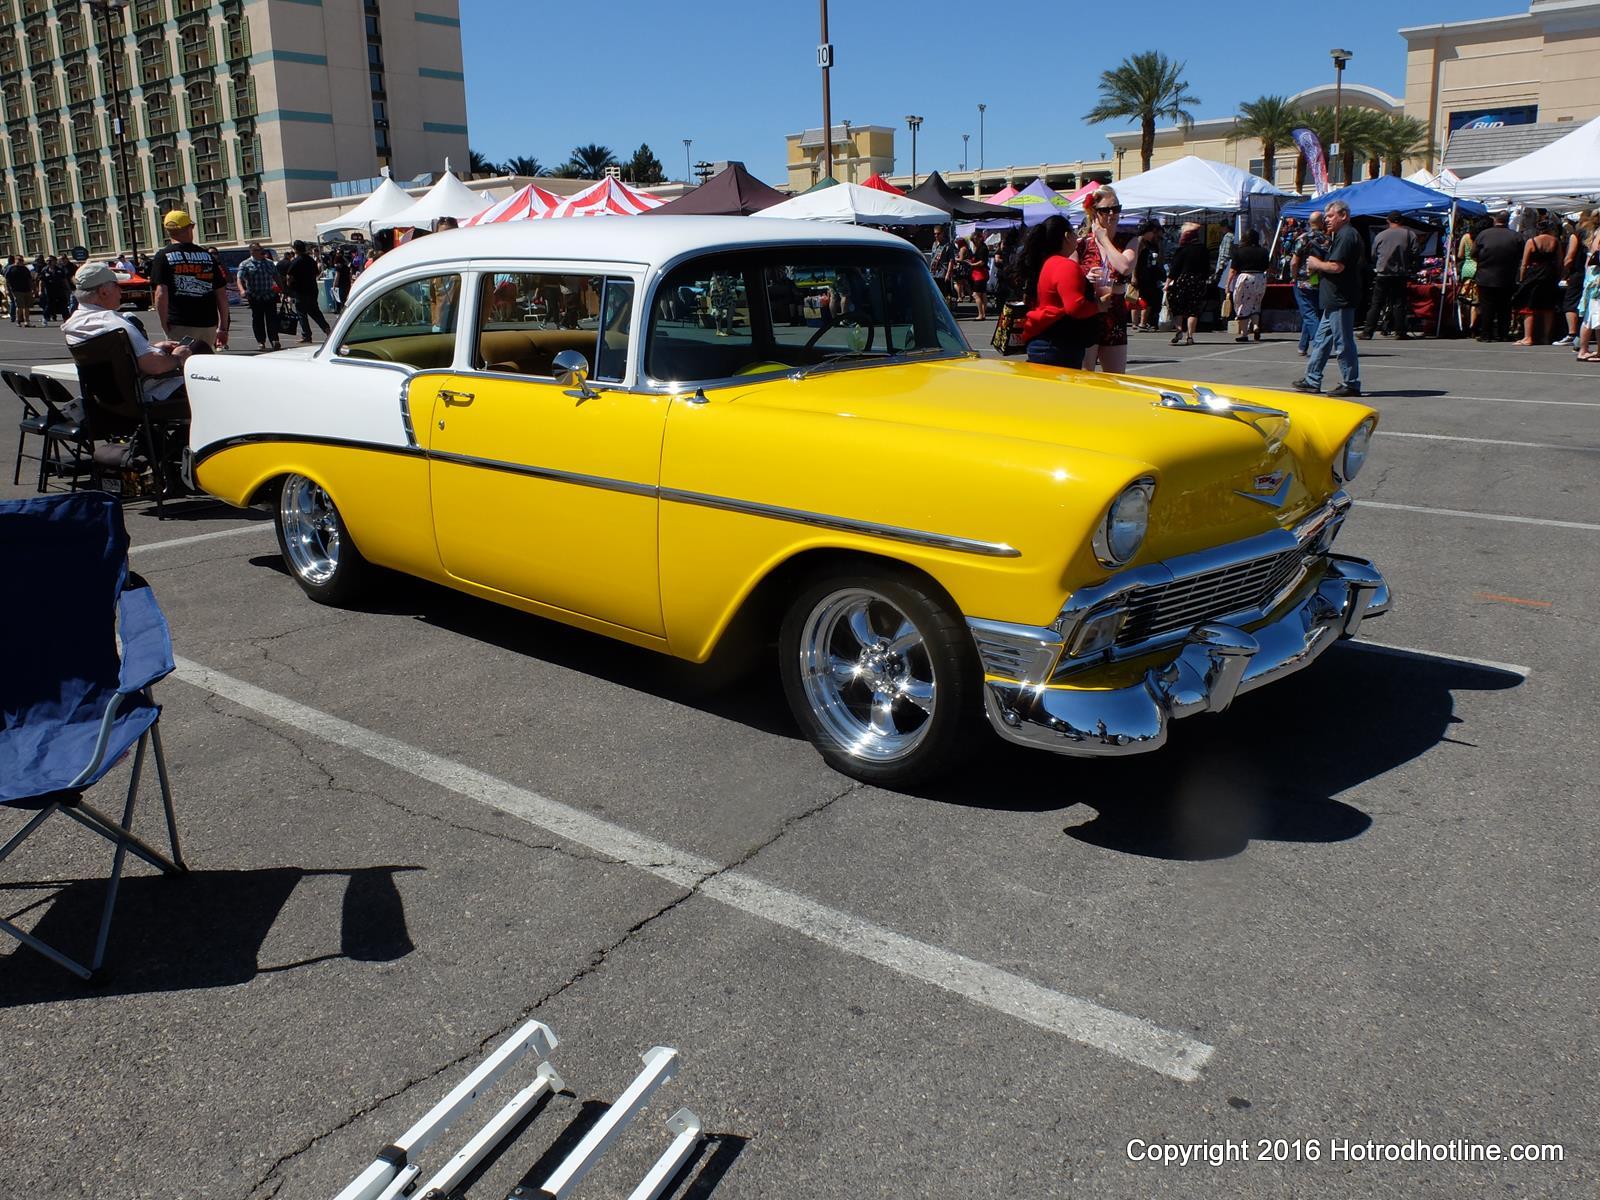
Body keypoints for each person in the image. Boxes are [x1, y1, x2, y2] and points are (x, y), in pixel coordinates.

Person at [61, 261, 196, 408]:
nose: (121, 291)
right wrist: (178, 358)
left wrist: (154, 347)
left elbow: (118, 357)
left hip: (107, 400)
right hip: (144, 396)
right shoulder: (115, 324)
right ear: (103, 292)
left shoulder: (72, 325)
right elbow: (154, 366)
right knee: (198, 352)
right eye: (116, 286)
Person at [1292, 198, 1365, 397]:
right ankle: (1312, 379)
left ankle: (1351, 382)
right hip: (1333, 298)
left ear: (1344, 215)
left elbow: (1336, 266)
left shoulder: (1346, 235)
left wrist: (1316, 264)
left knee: (1343, 342)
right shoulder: (1340, 235)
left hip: (1340, 298)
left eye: (1331, 216)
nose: (1327, 220)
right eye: (1326, 217)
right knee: (1322, 341)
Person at [1015, 214, 1106, 369]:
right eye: (1074, 232)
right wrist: (1099, 305)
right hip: (1059, 344)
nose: (1077, 237)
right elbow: (1075, 307)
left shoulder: (1048, 263)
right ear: (1066, 236)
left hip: (1046, 340)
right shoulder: (1066, 265)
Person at [149, 209, 229, 348]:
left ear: (168, 231)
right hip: (208, 323)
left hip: (179, 323)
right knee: (204, 363)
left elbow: (161, 293)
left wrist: (164, 323)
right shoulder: (207, 256)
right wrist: (223, 327)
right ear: (189, 228)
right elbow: (221, 295)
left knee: (182, 363)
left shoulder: (163, 256)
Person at [1078, 186, 1134, 372]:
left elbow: (1124, 267)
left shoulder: (1130, 241)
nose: (1112, 214)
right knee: (1086, 379)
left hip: (1114, 315)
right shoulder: (1081, 244)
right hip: (1089, 313)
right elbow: (1069, 276)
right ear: (1094, 213)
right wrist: (1085, 277)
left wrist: (1104, 239)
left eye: (1116, 208)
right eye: (1105, 210)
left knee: (1116, 378)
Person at [1362, 211, 1416, 340]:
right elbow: (1415, 252)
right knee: (1399, 303)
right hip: (1400, 273)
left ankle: (1368, 332)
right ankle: (1400, 332)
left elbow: (1374, 255)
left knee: (1376, 303)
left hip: (1383, 273)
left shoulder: (1380, 235)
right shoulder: (1409, 234)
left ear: (1388, 221)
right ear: (1401, 221)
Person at [1473, 211, 1522, 343]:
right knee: (1505, 307)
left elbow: (1474, 253)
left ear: (1495, 220)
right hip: (1507, 276)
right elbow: (1520, 255)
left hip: (1486, 275)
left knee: (1487, 306)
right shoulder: (1516, 236)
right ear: (1507, 221)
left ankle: (1486, 334)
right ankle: (1503, 333)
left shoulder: (1483, 235)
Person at [1513, 218, 1562, 347]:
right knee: (1548, 307)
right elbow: (1559, 262)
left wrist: (1522, 278)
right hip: (1549, 274)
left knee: (1529, 306)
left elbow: (1524, 263)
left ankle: (1528, 337)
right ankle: (1546, 337)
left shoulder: (1531, 241)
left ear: (1538, 229)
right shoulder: (1555, 242)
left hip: (1534, 273)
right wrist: (1559, 276)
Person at [1289, 211, 1329, 355]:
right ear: (1322, 222)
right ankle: (1303, 346)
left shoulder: (1303, 238)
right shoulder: (1327, 239)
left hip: (1303, 280)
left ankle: (1321, 344)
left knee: (1309, 313)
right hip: (1320, 279)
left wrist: (1293, 276)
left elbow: (1294, 261)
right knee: (1313, 311)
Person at [1166, 223, 1211, 345]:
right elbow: (1207, 268)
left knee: (1177, 307)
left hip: (1182, 280)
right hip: (1198, 281)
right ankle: (1190, 336)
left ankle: (1179, 330)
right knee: (1193, 309)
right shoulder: (1203, 249)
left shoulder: (1182, 250)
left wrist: (1167, 283)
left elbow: (1174, 269)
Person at [236, 242, 282, 351]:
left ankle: (274, 340)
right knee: (258, 320)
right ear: (252, 251)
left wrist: (282, 288)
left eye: (262, 249)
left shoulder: (269, 263)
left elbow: (276, 276)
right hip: (255, 296)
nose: (261, 251)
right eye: (258, 250)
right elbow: (239, 279)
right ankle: (261, 341)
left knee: (272, 319)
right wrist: (242, 290)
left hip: (269, 295)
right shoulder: (245, 264)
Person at [1228, 229, 1270, 342]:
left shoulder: (1239, 251)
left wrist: (1228, 285)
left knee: (1241, 304)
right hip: (1260, 278)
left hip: (1245, 277)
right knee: (1256, 303)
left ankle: (1244, 333)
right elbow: (1267, 267)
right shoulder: (1264, 251)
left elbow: (1232, 271)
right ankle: (1256, 326)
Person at [286, 240, 332, 343]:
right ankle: (327, 329)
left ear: (295, 249)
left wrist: (288, 288)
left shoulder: (296, 261)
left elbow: (289, 276)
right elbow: (316, 273)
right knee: (315, 311)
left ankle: (306, 335)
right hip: (312, 289)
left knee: (302, 313)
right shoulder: (311, 260)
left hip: (301, 291)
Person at [1131, 221, 1165, 332]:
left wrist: (1159, 244)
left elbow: (1159, 259)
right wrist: (1134, 276)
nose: (1154, 235)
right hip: (1141, 274)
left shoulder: (1153, 243)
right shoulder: (1140, 241)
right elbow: (1135, 260)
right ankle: (1138, 323)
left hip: (1150, 274)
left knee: (1148, 299)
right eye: (1153, 232)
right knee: (1138, 298)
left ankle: (1142, 322)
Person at [1575, 228, 1600, 362]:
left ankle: (1588, 350)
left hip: (1593, 279)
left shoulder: (1597, 232)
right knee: (1591, 317)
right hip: (1596, 282)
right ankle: (1583, 350)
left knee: (1594, 317)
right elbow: (1596, 253)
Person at [1455, 217, 1482, 338]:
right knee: (1476, 301)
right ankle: (1473, 325)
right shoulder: (1482, 237)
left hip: (1467, 268)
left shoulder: (1466, 237)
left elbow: (1460, 254)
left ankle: (1465, 324)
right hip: (1478, 268)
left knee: (1466, 299)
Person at [961, 232, 991, 320]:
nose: (973, 243)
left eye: (974, 240)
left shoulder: (982, 248)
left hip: (980, 274)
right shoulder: (980, 247)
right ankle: (983, 313)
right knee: (983, 294)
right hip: (980, 274)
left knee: (976, 294)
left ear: (979, 238)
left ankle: (981, 314)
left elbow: (982, 262)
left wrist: (971, 264)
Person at [5, 255, 36, 327]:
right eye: (19, 260)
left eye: (22, 260)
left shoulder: (25, 269)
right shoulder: (11, 268)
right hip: (16, 290)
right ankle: (18, 321)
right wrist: (7, 289)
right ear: (15, 260)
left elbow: (29, 279)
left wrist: (33, 289)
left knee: (27, 306)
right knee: (19, 306)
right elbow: (7, 280)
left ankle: (27, 321)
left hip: (26, 289)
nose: (21, 261)